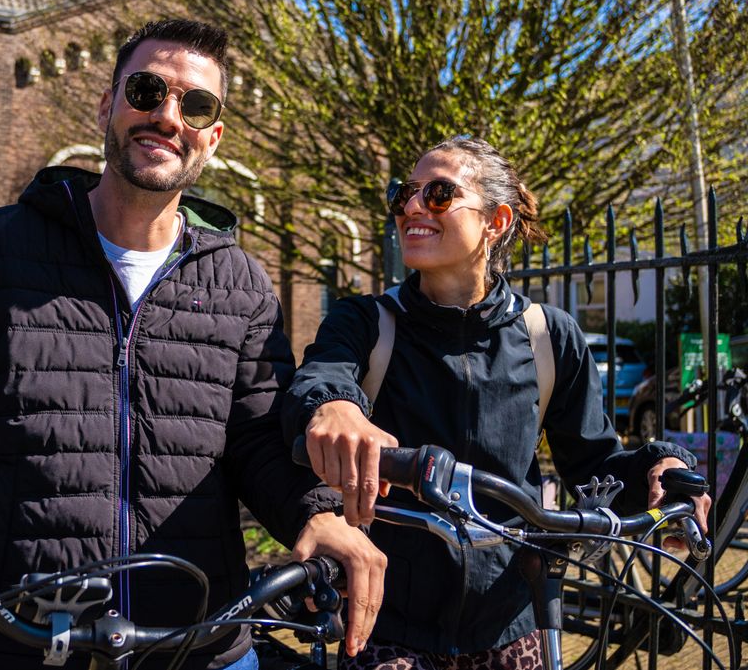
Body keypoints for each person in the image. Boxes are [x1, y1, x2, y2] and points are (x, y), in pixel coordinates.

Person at [0, 19, 386, 670]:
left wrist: (316, 515)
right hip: (22, 644)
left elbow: (256, 436)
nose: (167, 115)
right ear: (107, 104)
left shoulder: (239, 282)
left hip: (201, 646)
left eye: (195, 105)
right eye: (146, 89)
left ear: (212, 139)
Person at [281, 136, 710, 670]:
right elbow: (319, 379)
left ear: (496, 221)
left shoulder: (547, 336)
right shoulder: (365, 322)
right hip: (388, 629)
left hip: (514, 627)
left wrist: (659, 469)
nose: (412, 207)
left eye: (438, 194)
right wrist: (336, 407)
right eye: (404, 194)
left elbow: (595, 466)